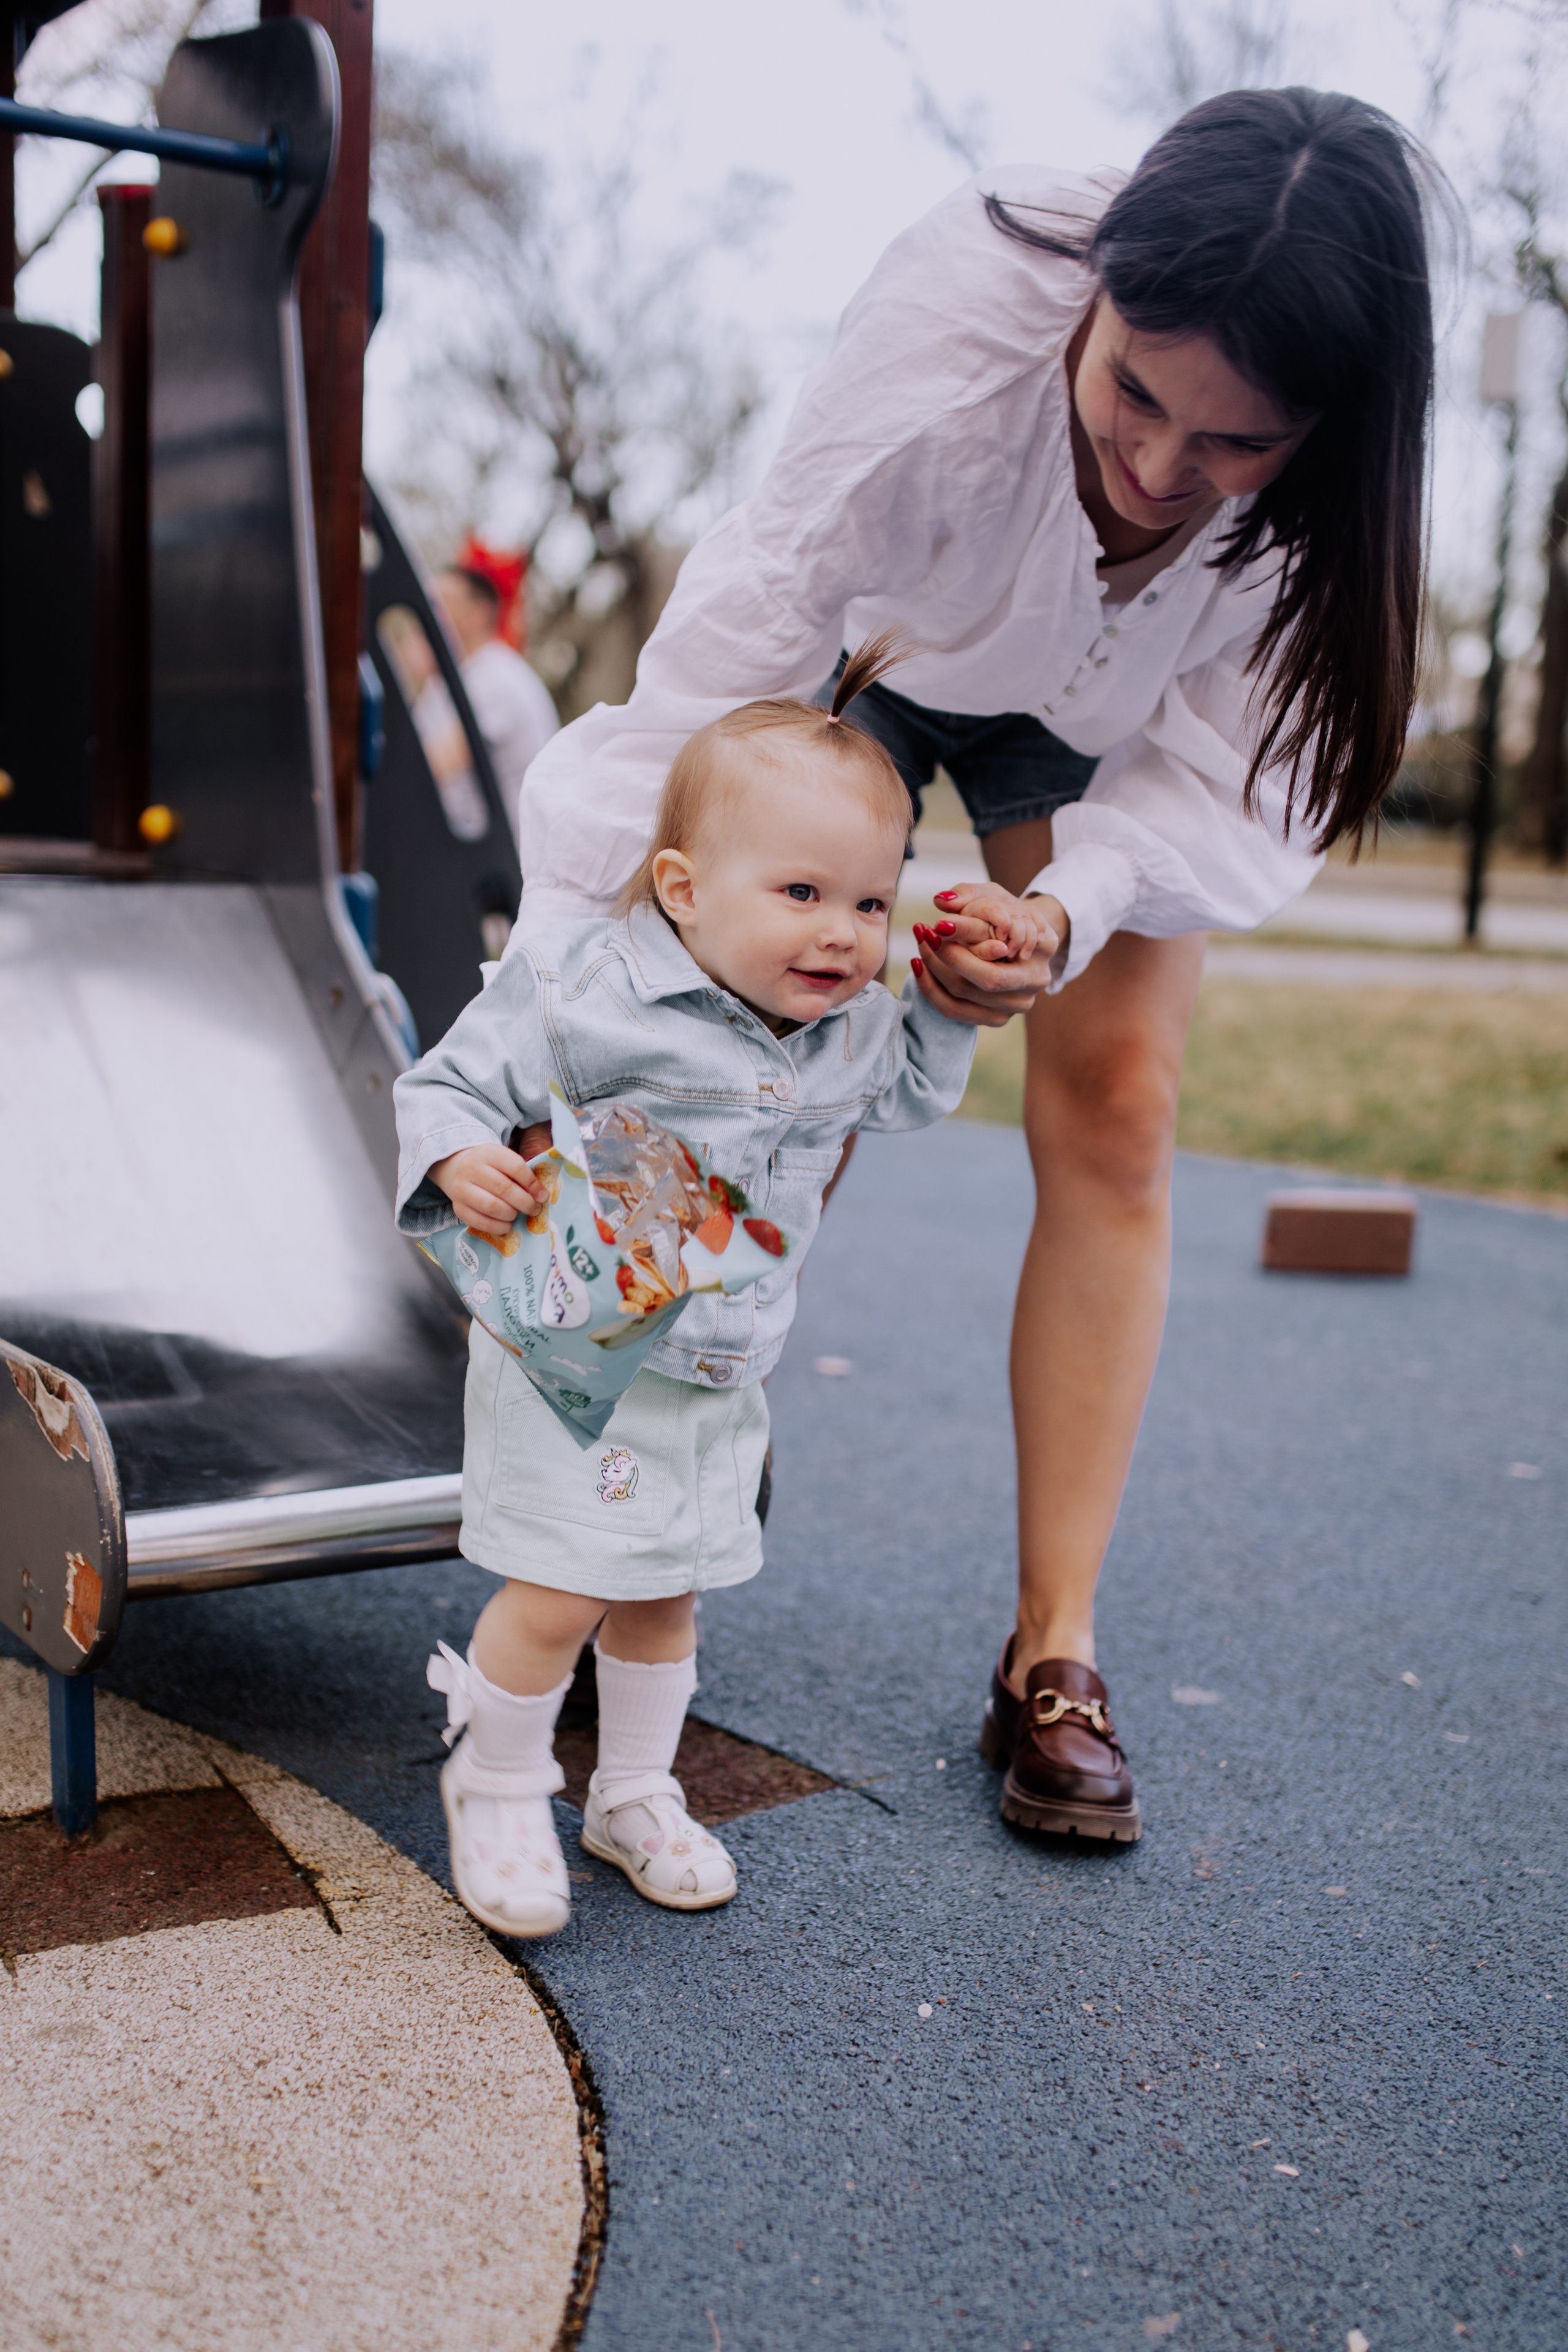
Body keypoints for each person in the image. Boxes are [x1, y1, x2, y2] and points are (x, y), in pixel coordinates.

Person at [511, 89, 1439, 1843]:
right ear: (1095, 299)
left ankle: (1054, 1652)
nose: (1161, 468)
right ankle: (621, 1507)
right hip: (881, 636)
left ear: (1325, 429)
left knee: (1121, 1106)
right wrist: (593, 962)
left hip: (1121, 721)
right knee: (758, 1058)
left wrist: (1065, 915)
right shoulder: (954, 329)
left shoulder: (1332, 511)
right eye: (1136, 393)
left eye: (1232, 445)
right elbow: (745, 641)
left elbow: (1227, 782)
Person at [393, 638, 1023, 1937]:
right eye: (801, 891)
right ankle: (501, 1779)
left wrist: (955, 1004)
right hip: (575, 1364)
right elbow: (446, 1083)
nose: (842, 934)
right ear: (681, 889)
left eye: (869, 902)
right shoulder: (586, 989)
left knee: (664, 1589)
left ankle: (630, 1791)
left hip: (722, 1368)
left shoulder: (845, 1028)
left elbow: (902, 1088)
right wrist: (460, 1156)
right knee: (565, 1585)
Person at [433, 561, 560, 840]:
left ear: (478, 614)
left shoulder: (493, 680)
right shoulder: (466, 675)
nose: (432, 614)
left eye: (443, 603)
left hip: (497, 859)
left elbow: (430, 768)